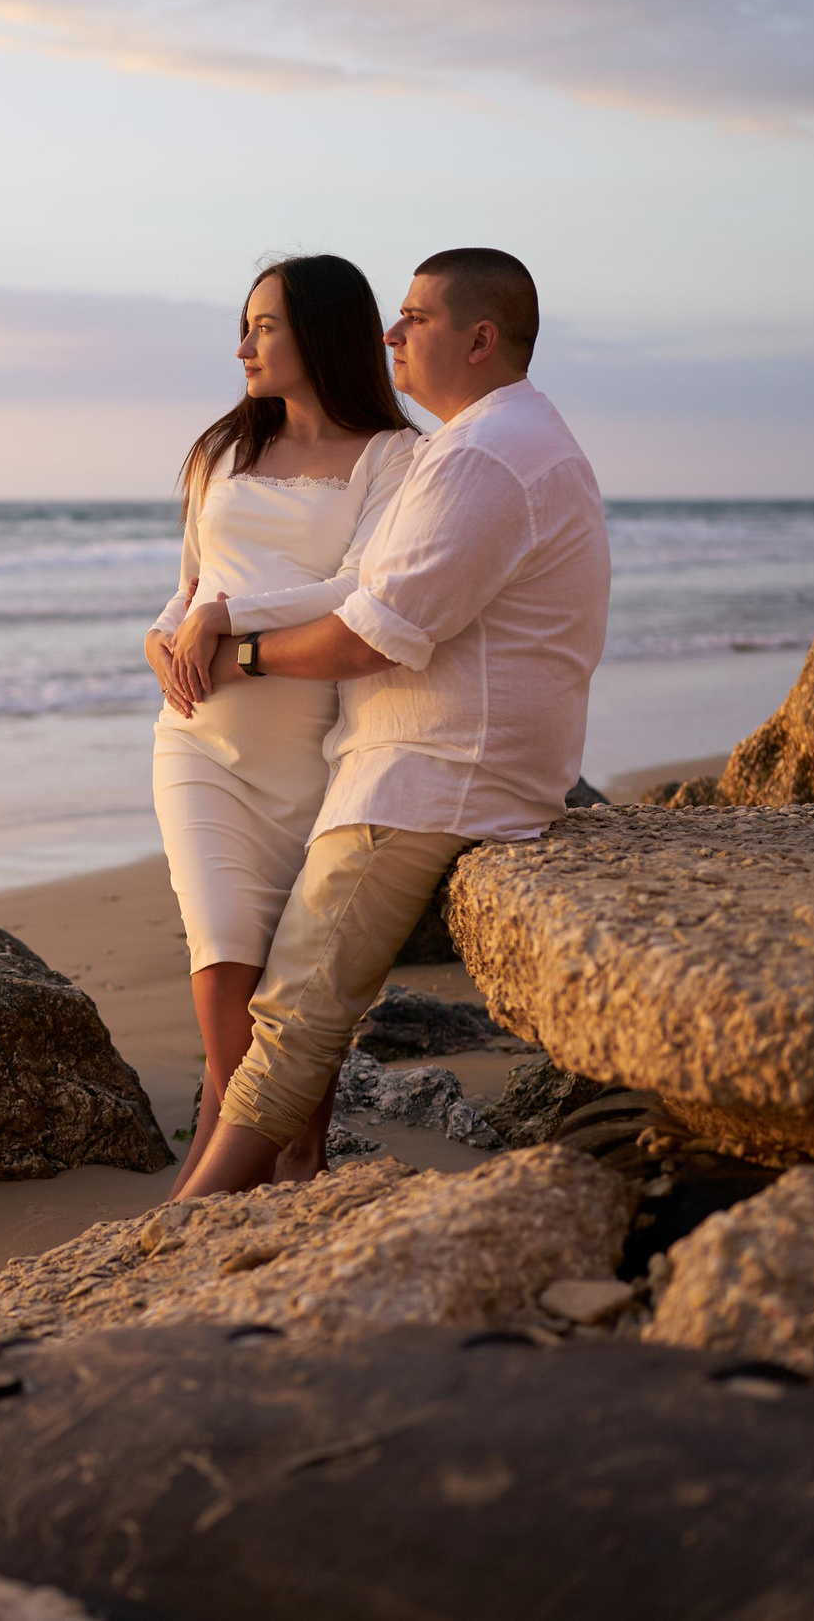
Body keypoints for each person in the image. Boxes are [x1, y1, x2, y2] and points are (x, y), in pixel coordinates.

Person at [170, 247, 611, 1200]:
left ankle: (197, 1211)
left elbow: (376, 629)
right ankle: (240, 1189)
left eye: (415, 317)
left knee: (298, 1000)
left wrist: (238, 652)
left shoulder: (481, 455)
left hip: (432, 765)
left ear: (480, 339)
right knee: (277, 990)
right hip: (412, 754)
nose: (393, 332)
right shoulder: (495, 442)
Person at [143, 255, 420, 1188]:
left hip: (315, 748)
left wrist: (230, 619)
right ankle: (219, 1179)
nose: (244, 345)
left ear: (323, 332)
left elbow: (361, 590)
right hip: (200, 742)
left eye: (265, 326)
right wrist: (162, 635)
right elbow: (186, 582)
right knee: (221, 951)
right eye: (245, 325)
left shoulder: (393, 456)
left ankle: (290, 1165)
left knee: (295, 983)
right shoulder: (221, 450)